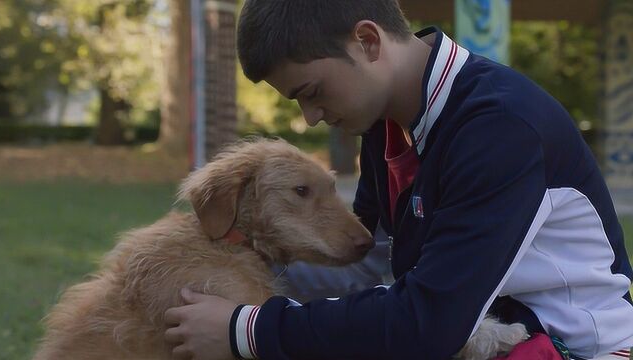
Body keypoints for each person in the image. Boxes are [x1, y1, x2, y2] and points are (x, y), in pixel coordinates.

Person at [162, 1, 633, 359]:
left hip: (577, 348)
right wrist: (215, 271)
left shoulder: (500, 126)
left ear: (368, 41)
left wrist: (245, 330)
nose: (308, 118)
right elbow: (366, 268)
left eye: (312, 92)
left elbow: (429, 322)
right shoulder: (386, 125)